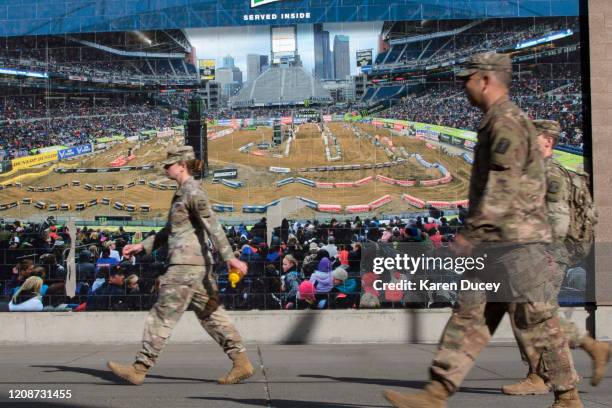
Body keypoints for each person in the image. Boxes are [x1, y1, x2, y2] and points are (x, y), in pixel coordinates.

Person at [382, 52, 583, 408]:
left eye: (467, 79)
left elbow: (503, 184)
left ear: (486, 80)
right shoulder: (496, 120)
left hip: (518, 243)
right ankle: (437, 392)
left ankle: (567, 396)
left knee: (537, 318)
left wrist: (471, 232)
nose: (463, 86)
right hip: (495, 242)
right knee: (468, 314)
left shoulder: (506, 121)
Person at [107, 145, 254, 386]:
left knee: (161, 314)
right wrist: (141, 247)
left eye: (170, 164)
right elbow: (169, 231)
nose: (166, 168)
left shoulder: (193, 192)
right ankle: (241, 362)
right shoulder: (183, 193)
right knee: (212, 315)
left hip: (184, 267)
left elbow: (212, 225)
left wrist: (230, 258)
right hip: (195, 267)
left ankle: (139, 367)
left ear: (182, 166)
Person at [502, 120, 610, 395]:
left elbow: (558, 222)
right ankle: (575, 355)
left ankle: (550, 381)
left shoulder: (550, 174)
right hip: (534, 255)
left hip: (547, 255)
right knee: (525, 313)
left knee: (538, 315)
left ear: (547, 141)